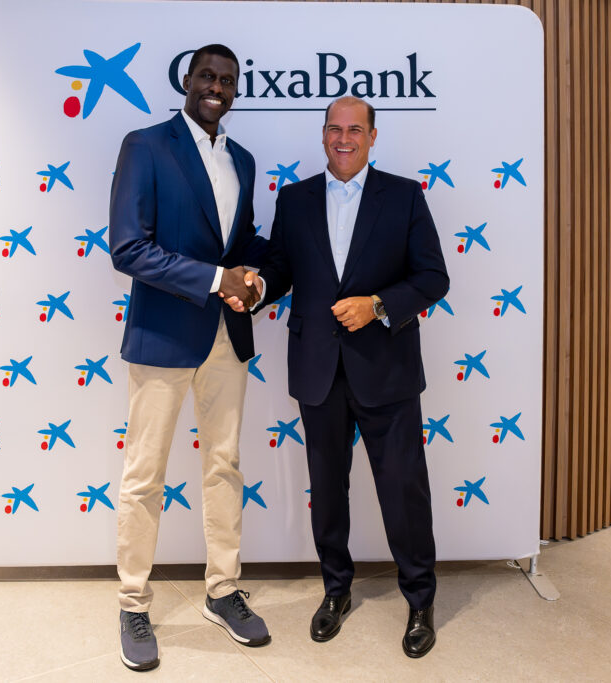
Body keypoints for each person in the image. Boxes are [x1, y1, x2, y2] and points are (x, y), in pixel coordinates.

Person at [225, 96, 449, 658]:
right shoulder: (294, 198)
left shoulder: (404, 196)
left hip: (388, 372)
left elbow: (433, 277)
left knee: (403, 489)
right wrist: (254, 291)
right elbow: (281, 268)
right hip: (318, 370)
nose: (343, 138)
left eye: (355, 129)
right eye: (334, 129)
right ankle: (335, 591)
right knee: (328, 491)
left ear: (373, 137)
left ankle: (420, 599)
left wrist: (377, 304)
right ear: (322, 135)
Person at [109, 43, 268, 672]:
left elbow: (245, 241)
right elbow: (127, 246)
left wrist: (255, 281)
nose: (217, 87)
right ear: (188, 79)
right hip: (163, 338)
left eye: (228, 80)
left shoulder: (245, 161)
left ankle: (223, 591)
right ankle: (131, 601)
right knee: (145, 474)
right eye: (208, 75)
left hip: (229, 339)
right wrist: (214, 278)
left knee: (224, 467)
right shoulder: (145, 145)